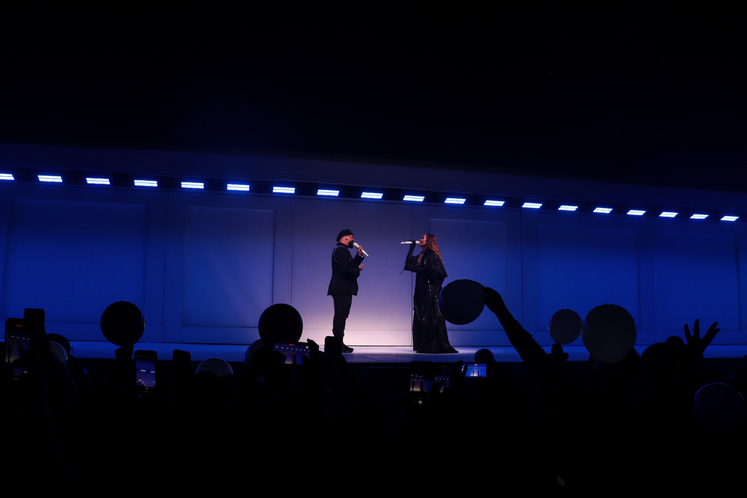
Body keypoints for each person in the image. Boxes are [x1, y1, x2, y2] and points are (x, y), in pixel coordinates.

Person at [404, 234, 457, 353]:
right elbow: (408, 263)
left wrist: (415, 269)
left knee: (431, 316)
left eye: (423, 238)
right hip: (422, 290)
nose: (420, 239)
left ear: (428, 242)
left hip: (431, 291)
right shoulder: (422, 255)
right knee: (420, 315)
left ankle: (431, 345)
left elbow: (438, 274)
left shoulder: (432, 256)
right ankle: (422, 345)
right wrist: (411, 248)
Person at [327, 229, 365, 353]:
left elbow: (348, 266)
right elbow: (345, 270)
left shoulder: (341, 250)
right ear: (346, 238)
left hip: (341, 288)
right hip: (341, 288)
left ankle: (339, 342)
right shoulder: (341, 251)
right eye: (352, 237)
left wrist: (358, 257)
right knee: (340, 316)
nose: (353, 240)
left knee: (341, 316)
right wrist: (357, 271)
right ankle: (338, 343)